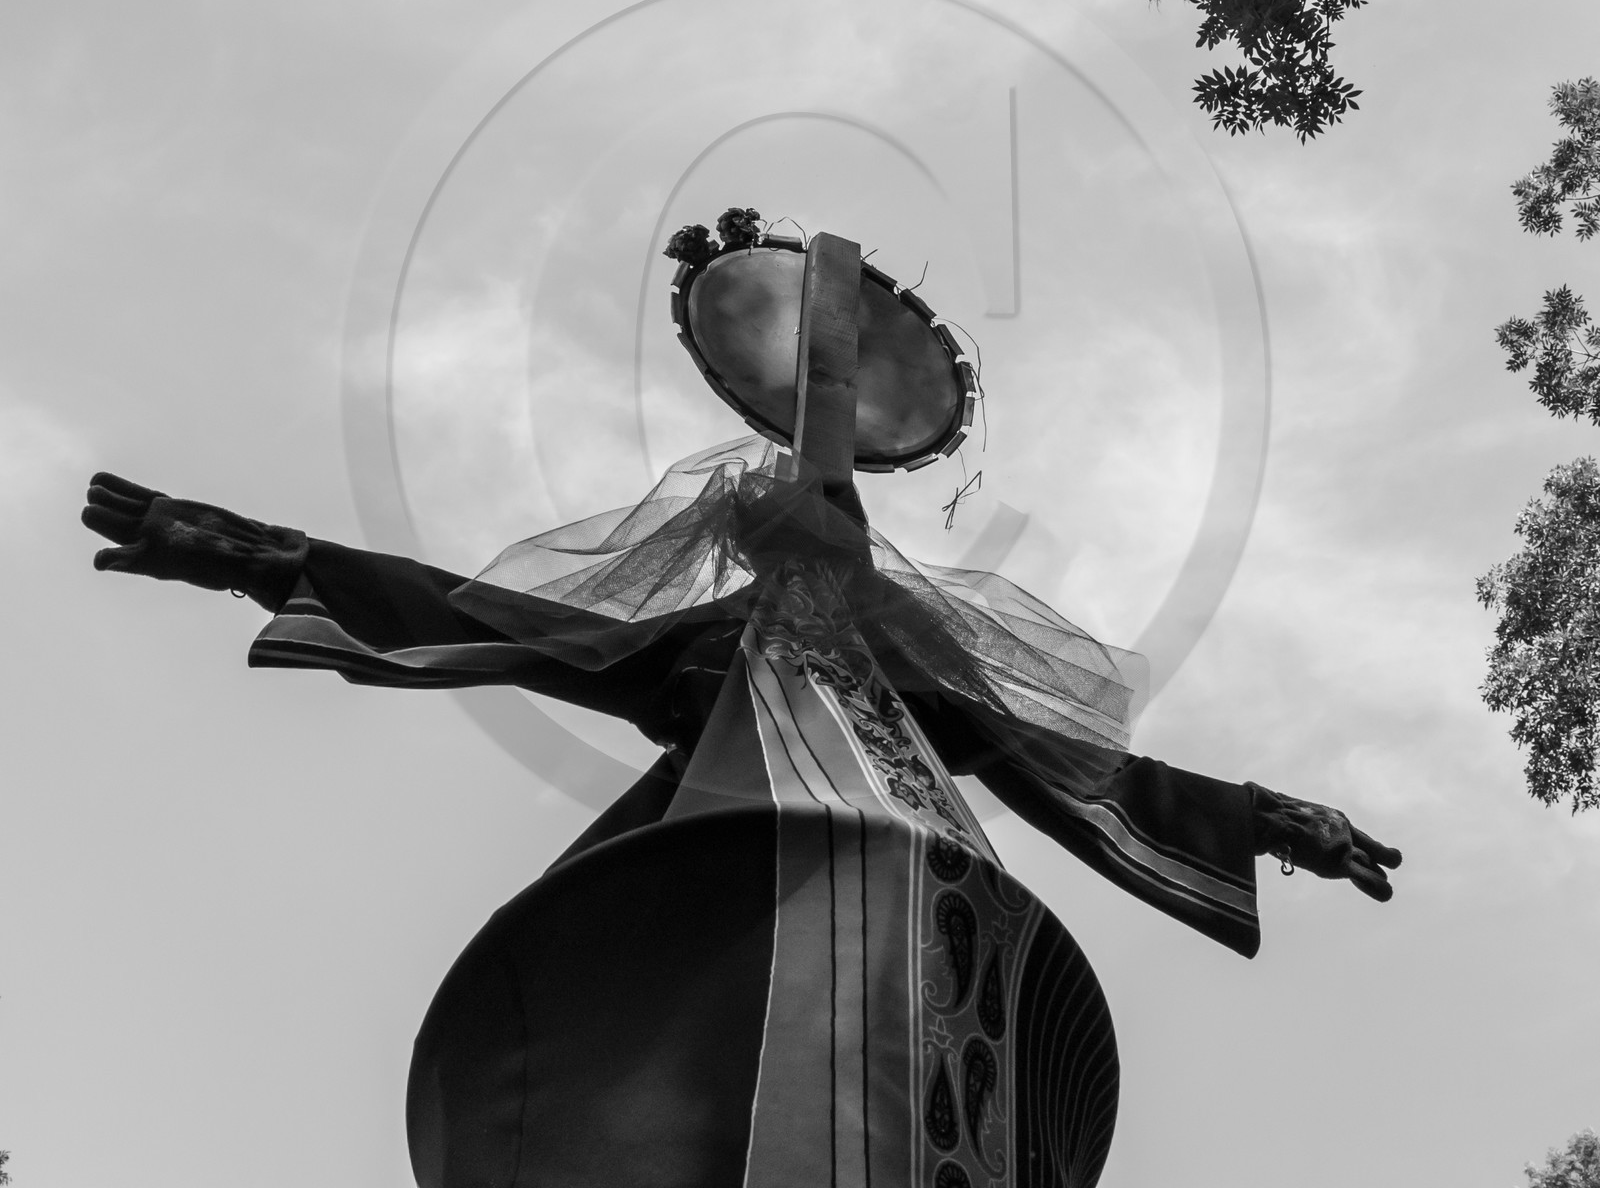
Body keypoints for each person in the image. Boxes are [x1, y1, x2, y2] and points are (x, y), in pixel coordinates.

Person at [82, 442, 1399, 1188]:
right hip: (718, 884)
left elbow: (1085, 773)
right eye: (797, 510)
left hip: (904, 905)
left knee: (910, 1099)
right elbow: (482, 618)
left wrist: (1274, 818)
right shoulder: (696, 645)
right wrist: (256, 555)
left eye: (841, 511)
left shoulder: (920, 686)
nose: (821, 526)